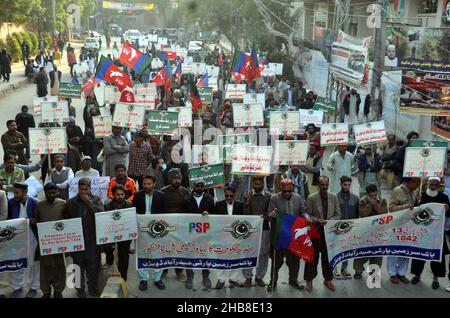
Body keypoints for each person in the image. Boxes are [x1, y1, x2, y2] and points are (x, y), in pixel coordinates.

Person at [63, 178, 104, 298]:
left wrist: (88, 203)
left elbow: (101, 214)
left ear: (90, 188)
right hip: (77, 240)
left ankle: (93, 288)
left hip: (92, 240)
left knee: (93, 267)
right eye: (81, 190)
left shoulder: (96, 199)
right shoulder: (71, 202)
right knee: (77, 266)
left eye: (85, 189)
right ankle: (79, 289)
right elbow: (65, 219)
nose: (83, 192)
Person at [267, 179, 306, 292]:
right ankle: (273, 282)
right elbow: (269, 215)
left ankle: (293, 280)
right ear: (281, 189)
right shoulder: (274, 198)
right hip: (279, 235)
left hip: (294, 236)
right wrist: (272, 215)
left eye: (289, 191)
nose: (287, 193)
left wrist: (306, 216)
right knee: (276, 261)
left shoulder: (298, 198)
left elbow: (303, 212)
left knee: (294, 260)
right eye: (285, 191)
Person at [411, 177, 450, 290]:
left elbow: (448, 214)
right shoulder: (421, 196)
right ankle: (417, 275)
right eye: (431, 184)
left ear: (438, 186)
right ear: (427, 184)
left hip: (436, 232)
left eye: (435, 185)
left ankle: (435, 278)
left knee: (437, 256)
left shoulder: (444, 197)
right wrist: (416, 202)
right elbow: (414, 211)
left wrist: (447, 209)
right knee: (419, 255)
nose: (432, 186)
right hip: (422, 231)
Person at [304, 176, 341, 292]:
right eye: (322, 185)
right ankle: (309, 281)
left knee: (328, 256)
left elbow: (338, 214)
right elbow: (306, 215)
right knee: (312, 257)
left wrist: (329, 221)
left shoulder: (333, 197)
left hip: (329, 233)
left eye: (326, 185)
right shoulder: (311, 198)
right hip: (315, 231)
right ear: (318, 185)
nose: (324, 187)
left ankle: (328, 280)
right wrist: (316, 220)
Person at [32, 183, 67, 298]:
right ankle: (46, 291)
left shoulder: (63, 203)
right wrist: (28, 222)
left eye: (53, 193)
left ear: (57, 192)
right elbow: (36, 220)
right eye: (48, 193)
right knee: (45, 266)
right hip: (45, 241)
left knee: (59, 265)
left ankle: (58, 290)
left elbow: (68, 221)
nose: (51, 195)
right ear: (45, 193)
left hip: (59, 241)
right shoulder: (39, 205)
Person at [132, 175, 166, 290]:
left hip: (157, 230)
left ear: (154, 184)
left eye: (149, 184)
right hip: (141, 230)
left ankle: (157, 279)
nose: (146, 186)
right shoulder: (137, 196)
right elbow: (133, 212)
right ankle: (143, 279)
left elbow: (165, 215)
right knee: (142, 254)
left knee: (157, 253)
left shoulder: (161, 196)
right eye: (144, 184)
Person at [8, 182, 39, 298]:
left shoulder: (35, 202)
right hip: (16, 237)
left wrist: (29, 221)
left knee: (33, 262)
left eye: (17, 193)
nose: (14, 195)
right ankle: (17, 287)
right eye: (14, 192)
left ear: (25, 192)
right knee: (17, 262)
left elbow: (39, 220)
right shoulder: (11, 203)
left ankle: (33, 287)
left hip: (32, 236)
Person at [388, 177, 421, 285]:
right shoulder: (397, 190)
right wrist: (406, 206)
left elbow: (415, 207)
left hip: (410, 224)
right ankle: (392, 273)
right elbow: (391, 208)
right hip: (397, 224)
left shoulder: (416, 191)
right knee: (394, 249)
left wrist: (418, 201)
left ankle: (401, 273)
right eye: (417, 183)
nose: (418, 185)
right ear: (410, 182)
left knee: (406, 249)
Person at [184, 178, 216, 290]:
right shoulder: (187, 199)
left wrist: (209, 214)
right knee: (190, 255)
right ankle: (189, 277)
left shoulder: (210, 199)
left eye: (201, 186)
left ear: (204, 187)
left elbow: (215, 216)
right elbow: (182, 218)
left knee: (205, 255)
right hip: (190, 233)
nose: (199, 188)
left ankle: (206, 277)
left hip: (205, 233)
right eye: (197, 186)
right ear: (193, 186)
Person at [242, 176, 271, 288]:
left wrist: (263, 217)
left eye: (259, 185)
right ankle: (248, 277)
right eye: (256, 185)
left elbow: (270, 214)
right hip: (250, 230)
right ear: (253, 184)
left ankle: (259, 277)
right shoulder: (247, 195)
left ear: (263, 184)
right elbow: (244, 214)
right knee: (248, 251)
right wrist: (247, 202)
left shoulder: (269, 196)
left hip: (264, 229)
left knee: (263, 253)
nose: (257, 187)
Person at [354, 184, 387, 279]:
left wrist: (375, 204)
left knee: (377, 253)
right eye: (371, 196)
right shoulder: (363, 201)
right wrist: (369, 204)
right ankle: (358, 270)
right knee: (362, 252)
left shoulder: (382, 200)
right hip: (365, 231)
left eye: (375, 195)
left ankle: (374, 272)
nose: (373, 197)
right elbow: (362, 214)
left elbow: (384, 213)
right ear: (367, 194)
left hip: (378, 231)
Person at [214, 186, 244, 289]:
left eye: (231, 195)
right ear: (224, 195)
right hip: (222, 237)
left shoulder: (240, 205)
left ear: (234, 195)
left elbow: (245, 220)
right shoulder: (218, 205)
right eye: (227, 196)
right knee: (221, 258)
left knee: (235, 258)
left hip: (236, 237)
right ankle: (221, 280)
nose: (229, 197)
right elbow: (213, 220)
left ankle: (233, 279)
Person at [104, 184, 134, 281]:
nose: (120, 196)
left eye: (122, 194)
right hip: (111, 235)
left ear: (125, 195)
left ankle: (123, 278)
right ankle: (110, 267)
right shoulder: (107, 206)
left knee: (124, 258)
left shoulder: (129, 205)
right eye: (118, 194)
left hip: (125, 237)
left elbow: (131, 222)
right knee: (109, 253)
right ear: (113, 195)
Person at [334, 176, 359, 279]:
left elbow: (358, 215)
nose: (347, 187)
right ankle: (335, 268)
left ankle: (344, 268)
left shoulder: (355, 198)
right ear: (341, 184)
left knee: (346, 249)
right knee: (336, 249)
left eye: (349, 185)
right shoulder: (335, 197)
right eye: (345, 185)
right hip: (337, 228)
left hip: (350, 228)